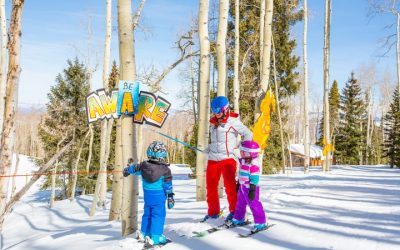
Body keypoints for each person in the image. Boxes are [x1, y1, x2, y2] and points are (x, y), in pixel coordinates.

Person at [203, 96, 253, 222]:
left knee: (230, 187)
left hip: (227, 159)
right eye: (214, 111)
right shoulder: (213, 123)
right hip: (213, 159)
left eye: (219, 111)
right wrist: (209, 148)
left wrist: (242, 148)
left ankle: (235, 212)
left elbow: (248, 134)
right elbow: (217, 141)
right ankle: (213, 212)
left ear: (225, 109)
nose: (216, 114)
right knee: (211, 187)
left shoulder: (233, 121)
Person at [123, 141, 175, 246]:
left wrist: (127, 170)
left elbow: (133, 169)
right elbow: (167, 186)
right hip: (159, 198)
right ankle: (156, 237)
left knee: (147, 214)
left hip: (148, 197)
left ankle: (143, 233)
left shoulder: (143, 166)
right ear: (163, 155)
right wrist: (170, 197)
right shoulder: (165, 170)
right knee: (158, 215)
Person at [230, 140, 267, 231]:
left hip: (251, 188)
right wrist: (239, 184)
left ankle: (260, 222)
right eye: (241, 151)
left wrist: (252, 189)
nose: (241, 153)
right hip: (243, 188)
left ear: (249, 153)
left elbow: (254, 178)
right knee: (240, 204)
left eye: (243, 151)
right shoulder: (243, 160)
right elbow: (234, 152)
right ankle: (239, 219)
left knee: (254, 205)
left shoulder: (254, 164)